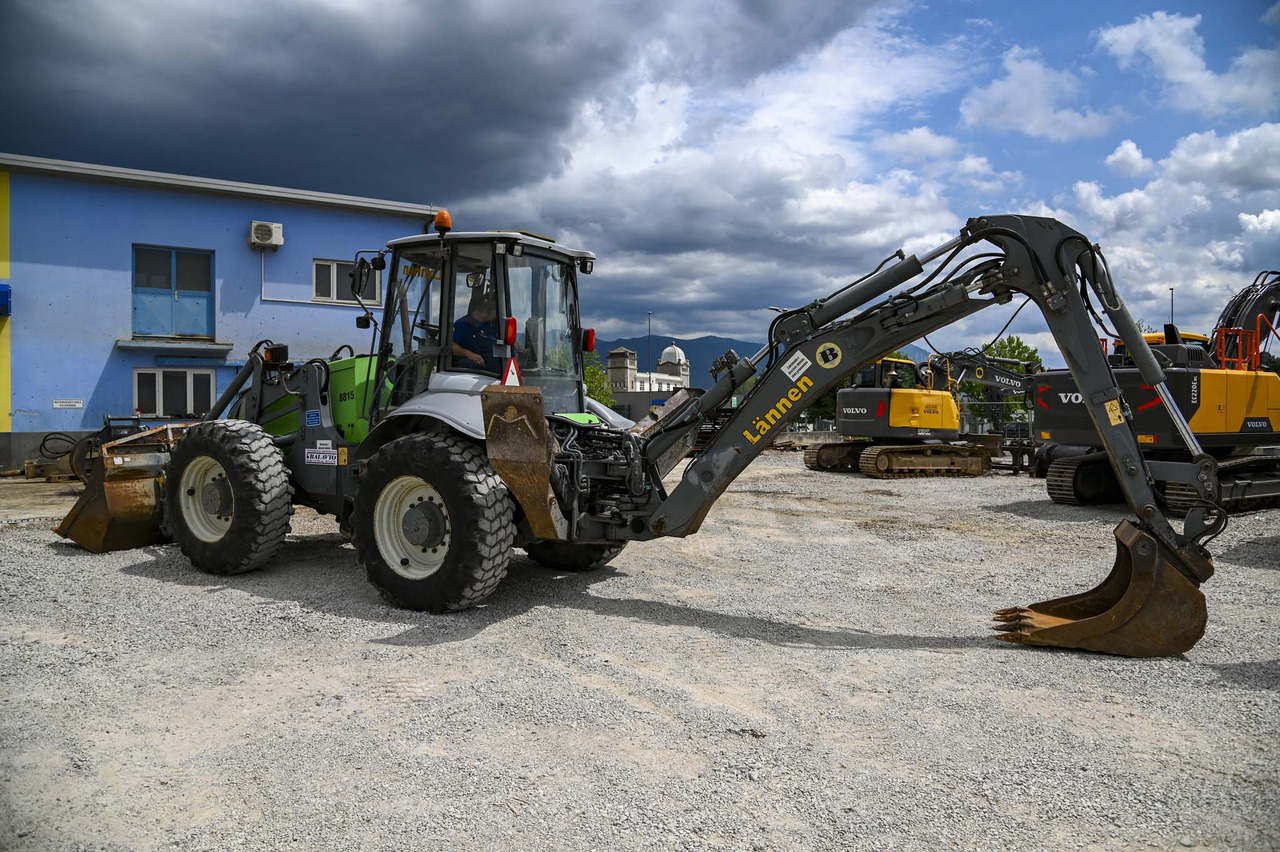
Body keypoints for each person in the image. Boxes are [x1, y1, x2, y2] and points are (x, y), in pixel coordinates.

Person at [452, 288, 501, 373]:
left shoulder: (492, 325)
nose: (497, 315)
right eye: (497, 311)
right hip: (474, 370)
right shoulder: (463, 324)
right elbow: (452, 346)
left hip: (494, 368)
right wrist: (468, 354)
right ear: (487, 310)